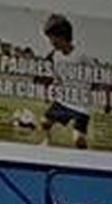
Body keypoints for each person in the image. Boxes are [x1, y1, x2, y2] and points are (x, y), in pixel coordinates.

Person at [39, 14, 91, 148]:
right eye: (49, 38)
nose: (51, 42)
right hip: (64, 100)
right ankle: (47, 142)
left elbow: (96, 75)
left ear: (63, 37)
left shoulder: (81, 56)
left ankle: (86, 155)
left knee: (78, 140)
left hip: (81, 104)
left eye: (53, 38)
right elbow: (58, 76)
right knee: (45, 122)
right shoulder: (56, 56)